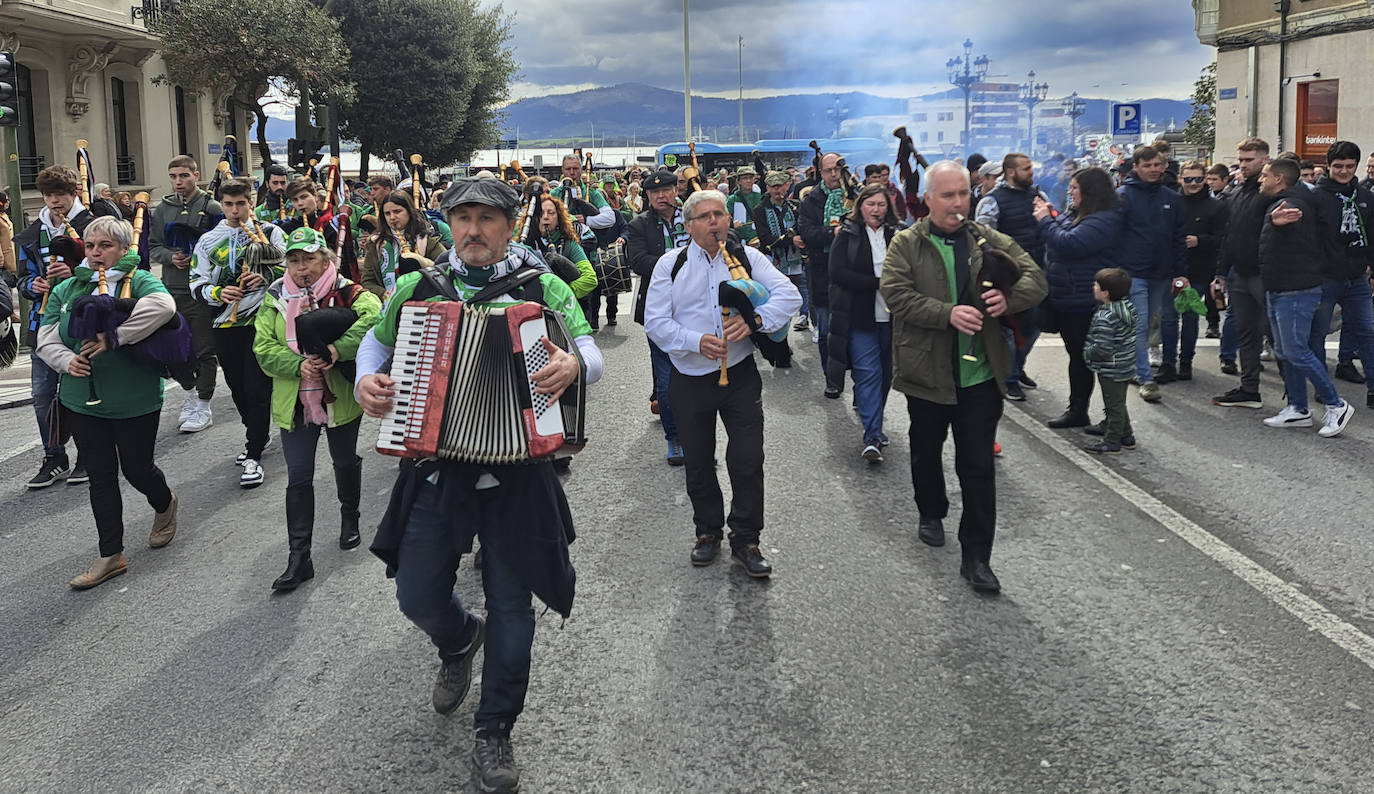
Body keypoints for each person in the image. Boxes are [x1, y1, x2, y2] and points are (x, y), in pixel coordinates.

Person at [354, 178, 602, 794]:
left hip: (519, 472)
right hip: (438, 466)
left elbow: (592, 353)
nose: (472, 230)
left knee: (514, 609)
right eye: (461, 217)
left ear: (510, 225)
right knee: (415, 594)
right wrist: (366, 382)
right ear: (448, 225)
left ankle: (495, 731)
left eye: (486, 218)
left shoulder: (542, 287)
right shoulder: (418, 288)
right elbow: (374, 344)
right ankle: (460, 637)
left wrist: (573, 364)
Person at [879, 161, 1047, 593]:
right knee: (925, 450)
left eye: (963, 194)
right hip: (926, 372)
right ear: (929, 199)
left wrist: (1007, 299)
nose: (958, 203)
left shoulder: (987, 239)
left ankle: (977, 557)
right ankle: (931, 510)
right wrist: (947, 313)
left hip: (980, 376)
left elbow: (1036, 279)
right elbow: (896, 296)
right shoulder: (906, 244)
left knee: (977, 467)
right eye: (948, 196)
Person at [644, 188, 800, 577]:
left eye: (720, 214)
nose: (714, 222)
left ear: (728, 220)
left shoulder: (748, 257)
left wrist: (755, 321)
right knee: (698, 461)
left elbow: (790, 295)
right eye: (705, 216)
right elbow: (656, 323)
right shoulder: (670, 264)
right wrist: (696, 341)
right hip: (691, 377)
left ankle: (746, 539)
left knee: (748, 459)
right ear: (689, 224)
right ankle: (707, 532)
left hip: (740, 374)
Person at [34, 216, 179, 589]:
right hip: (81, 398)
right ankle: (110, 554)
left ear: (122, 249)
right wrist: (67, 361)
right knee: (100, 475)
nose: (97, 254)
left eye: (106, 247)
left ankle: (164, 504)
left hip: (135, 396)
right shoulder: (67, 288)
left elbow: (163, 308)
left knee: (137, 468)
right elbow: (46, 337)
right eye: (92, 246)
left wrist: (116, 337)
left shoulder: (139, 280)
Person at [253, 227, 381, 591]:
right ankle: (299, 556)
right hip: (295, 400)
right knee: (299, 475)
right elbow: (263, 347)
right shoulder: (275, 297)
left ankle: (349, 517)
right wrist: (298, 366)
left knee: (343, 460)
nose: (301, 268)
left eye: (309, 259)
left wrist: (336, 350)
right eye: (293, 260)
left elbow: (374, 324)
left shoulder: (349, 292)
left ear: (325, 259)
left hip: (339, 395)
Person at [190, 177, 287, 487]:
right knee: (237, 388)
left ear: (251, 203)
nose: (234, 211)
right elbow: (196, 282)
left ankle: (254, 453)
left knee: (258, 388)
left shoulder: (271, 233)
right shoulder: (207, 241)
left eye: (241, 204)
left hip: (262, 321)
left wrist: (267, 275)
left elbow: (293, 269)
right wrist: (219, 294)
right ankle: (256, 433)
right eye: (228, 204)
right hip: (225, 323)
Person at [1256, 157, 1353, 437]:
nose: (1261, 179)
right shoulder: (1284, 201)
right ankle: (1298, 409)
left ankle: (1337, 405)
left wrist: (1276, 222)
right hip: (1280, 287)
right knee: (1286, 352)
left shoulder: (1293, 205)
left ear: (1279, 179)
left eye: (1265, 175)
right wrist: (1273, 222)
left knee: (1297, 350)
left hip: (1296, 290)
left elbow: (1296, 232)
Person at [16, 165, 96, 489]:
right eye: (48, 196)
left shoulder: (93, 225)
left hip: (84, 319)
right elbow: (18, 278)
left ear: (74, 193)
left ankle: (89, 455)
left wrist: (76, 273)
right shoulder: (31, 235)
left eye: (59, 195)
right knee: (42, 393)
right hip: (43, 322)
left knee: (83, 391)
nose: (53, 202)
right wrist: (30, 286)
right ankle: (54, 456)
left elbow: (117, 268)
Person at [1033, 166, 1123, 430]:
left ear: (1089, 191)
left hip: (1085, 300)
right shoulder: (1085, 215)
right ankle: (1078, 410)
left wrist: (1045, 220)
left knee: (1095, 360)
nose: (1070, 192)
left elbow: (1069, 243)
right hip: (1071, 298)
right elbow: (1066, 227)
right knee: (1079, 358)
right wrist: (1051, 213)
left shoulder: (1105, 219)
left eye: (1074, 188)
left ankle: (1115, 421)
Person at [149, 155, 223, 433]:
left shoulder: (212, 206)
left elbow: (223, 247)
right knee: (173, 349)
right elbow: (153, 246)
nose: (179, 181)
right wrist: (170, 257)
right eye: (173, 176)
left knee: (204, 349)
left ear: (195, 174)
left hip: (200, 291)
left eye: (184, 175)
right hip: (172, 289)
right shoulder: (163, 209)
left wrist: (198, 258)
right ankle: (190, 392)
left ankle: (203, 404)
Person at [827, 183, 899, 462]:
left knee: (885, 374)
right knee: (869, 373)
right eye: (871, 204)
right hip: (860, 316)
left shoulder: (897, 233)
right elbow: (838, 271)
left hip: (892, 318)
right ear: (861, 206)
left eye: (881, 205)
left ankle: (875, 424)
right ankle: (872, 436)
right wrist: (877, 284)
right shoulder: (848, 234)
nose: (876, 210)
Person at [626, 169, 690, 464]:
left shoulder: (692, 215)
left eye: (666, 190)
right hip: (659, 309)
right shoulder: (639, 224)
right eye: (654, 193)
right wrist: (683, 265)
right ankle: (675, 438)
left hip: (695, 306)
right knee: (666, 380)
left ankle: (697, 438)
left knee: (699, 378)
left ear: (676, 190)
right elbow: (638, 261)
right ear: (648, 196)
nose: (661, 196)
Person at [975, 152, 1050, 401]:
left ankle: (1016, 368)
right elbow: (984, 241)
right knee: (1012, 330)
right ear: (1010, 172)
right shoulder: (991, 202)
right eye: (1026, 169)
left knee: (1035, 326)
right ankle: (1009, 377)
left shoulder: (1038, 196)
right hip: (1008, 277)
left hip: (1037, 272)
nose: (1031, 172)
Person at [1116, 145, 1186, 403]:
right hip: (1133, 271)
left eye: (1157, 164)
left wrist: (1180, 272)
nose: (1154, 169)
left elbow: (1179, 237)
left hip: (1162, 272)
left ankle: (1135, 366)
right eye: (1148, 165)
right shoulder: (1122, 196)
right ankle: (1146, 378)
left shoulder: (1172, 197)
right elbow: (1113, 234)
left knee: (1147, 326)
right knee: (1139, 324)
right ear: (1136, 167)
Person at [1212, 138, 1275, 409]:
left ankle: (1297, 399)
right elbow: (1229, 236)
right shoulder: (1235, 193)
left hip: (1265, 275)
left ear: (1264, 159)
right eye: (1240, 160)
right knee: (1246, 334)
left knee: (1278, 336)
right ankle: (1250, 389)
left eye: (1249, 160)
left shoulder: (1270, 193)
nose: (1243, 165)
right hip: (1239, 274)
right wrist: (1221, 273)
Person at [1314, 141, 1374, 408]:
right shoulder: (1315, 196)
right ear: (1328, 166)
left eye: (1350, 166)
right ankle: (1322, 386)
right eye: (1338, 166)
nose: (1344, 171)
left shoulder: (1366, 196)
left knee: (1367, 331)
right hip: (1325, 276)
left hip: (1357, 277)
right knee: (1318, 334)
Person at [1159, 160, 1225, 383]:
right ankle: (1168, 363)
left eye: (1198, 179)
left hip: (1198, 270)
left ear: (1205, 178)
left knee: (1189, 318)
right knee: (1168, 318)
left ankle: (1185, 362)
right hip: (1170, 269)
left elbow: (1222, 238)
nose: (1193, 183)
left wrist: (1199, 240)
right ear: (1180, 179)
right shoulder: (1170, 202)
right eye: (1189, 179)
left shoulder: (1215, 206)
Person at [797, 152, 848, 397]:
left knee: (857, 333)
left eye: (837, 169)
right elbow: (807, 233)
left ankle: (861, 385)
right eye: (828, 170)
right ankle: (832, 378)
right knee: (827, 332)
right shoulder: (811, 200)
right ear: (820, 172)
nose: (834, 174)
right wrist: (835, 233)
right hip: (822, 272)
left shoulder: (856, 196)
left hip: (854, 274)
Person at [1082, 267, 1139, 453]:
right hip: (1125, 363)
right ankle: (1126, 434)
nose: (1093, 287)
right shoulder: (1127, 308)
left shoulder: (1105, 316)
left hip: (1110, 367)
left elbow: (1102, 348)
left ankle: (1112, 440)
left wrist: (1087, 352)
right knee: (1118, 401)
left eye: (1096, 285)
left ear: (1105, 293)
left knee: (1113, 404)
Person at [360, 190, 447, 299]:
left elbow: (447, 269)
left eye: (397, 211)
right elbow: (368, 281)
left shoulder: (426, 240)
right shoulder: (375, 243)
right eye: (387, 213)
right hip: (389, 304)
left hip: (423, 302)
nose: (392, 217)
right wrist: (383, 294)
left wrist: (422, 261)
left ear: (409, 212)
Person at [753, 170, 808, 333]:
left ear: (787, 186)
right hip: (772, 260)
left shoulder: (796, 206)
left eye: (780, 186)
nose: (777, 191)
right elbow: (765, 237)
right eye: (773, 187)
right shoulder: (760, 209)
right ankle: (779, 334)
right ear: (768, 188)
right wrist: (791, 240)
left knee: (799, 290)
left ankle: (804, 316)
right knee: (777, 297)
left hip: (795, 258)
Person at [538, 193, 598, 299]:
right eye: (541, 213)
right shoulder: (525, 243)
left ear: (559, 219)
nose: (546, 217)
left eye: (551, 213)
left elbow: (590, 278)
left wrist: (562, 294)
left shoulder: (570, 245)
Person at [277, 178, 338, 251]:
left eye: (304, 197)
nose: (300, 203)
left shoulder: (328, 225)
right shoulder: (288, 228)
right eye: (295, 200)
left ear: (315, 196)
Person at [726, 166, 762, 245]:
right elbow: (724, 219)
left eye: (751, 178)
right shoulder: (732, 199)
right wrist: (732, 224)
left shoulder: (760, 197)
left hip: (758, 240)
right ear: (739, 181)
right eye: (745, 178)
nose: (748, 181)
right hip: (739, 240)